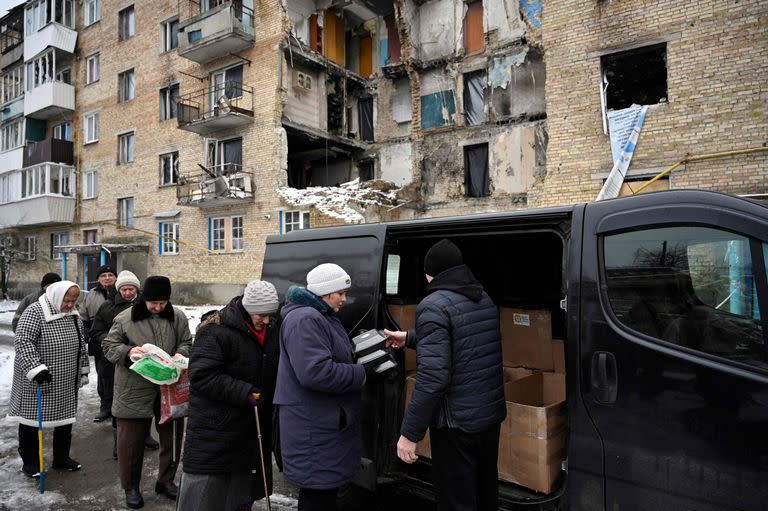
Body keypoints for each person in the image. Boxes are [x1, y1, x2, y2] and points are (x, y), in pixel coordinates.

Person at [384, 239, 506, 511]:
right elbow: (464, 341)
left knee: (456, 501)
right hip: (487, 418)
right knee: (485, 493)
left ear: (431, 273)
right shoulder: (482, 296)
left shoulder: (433, 304)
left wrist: (409, 434)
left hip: (456, 426)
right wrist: (410, 337)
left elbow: (433, 377)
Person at [177, 280, 281, 511]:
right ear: (247, 309)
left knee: (243, 489)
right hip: (217, 427)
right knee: (210, 495)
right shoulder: (216, 330)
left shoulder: (272, 327)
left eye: (269, 315)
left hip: (251, 426)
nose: (266, 321)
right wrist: (243, 391)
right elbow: (202, 375)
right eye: (261, 315)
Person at [274, 263, 369, 511]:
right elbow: (316, 372)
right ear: (326, 292)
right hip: (313, 429)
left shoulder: (319, 315)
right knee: (317, 499)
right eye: (341, 293)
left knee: (323, 496)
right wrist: (361, 374)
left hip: (321, 425)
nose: (345, 300)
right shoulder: (305, 318)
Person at [102, 276, 192, 509]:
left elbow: (187, 342)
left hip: (169, 388)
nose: (158, 307)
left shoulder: (178, 316)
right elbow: (109, 346)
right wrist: (129, 352)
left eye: (163, 302)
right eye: (154, 303)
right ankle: (130, 487)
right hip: (133, 388)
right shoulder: (125, 318)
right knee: (130, 442)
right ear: (144, 298)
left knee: (171, 438)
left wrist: (180, 354)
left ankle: (166, 481)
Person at [7, 280, 90, 477]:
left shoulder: (74, 316)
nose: (70, 305)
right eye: (66, 301)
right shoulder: (34, 311)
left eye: (73, 301)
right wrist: (36, 369)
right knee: (32, 421)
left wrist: (83, 369)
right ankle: (31, 463)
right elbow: (23, 341)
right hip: (38, 379)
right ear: (56, 296)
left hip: (66, 379)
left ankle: (61, 458)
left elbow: (80, 344)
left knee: (65, 419)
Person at [89, 270, 140, 459]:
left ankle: (144, 438)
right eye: (125, 289)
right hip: (114, 361)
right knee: (118, 403)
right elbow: (96, 332)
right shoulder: (107, 307)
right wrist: (113, 341)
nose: (128, 293)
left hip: (140, 360)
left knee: (142, 399)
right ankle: (119, 443)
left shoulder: (144, 306)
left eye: (131, 289)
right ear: (119, 290)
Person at [78, 264, 117, 422]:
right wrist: (87, 334)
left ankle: (118, 408)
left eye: (110, 275)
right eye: (103, 275)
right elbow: (83, 318)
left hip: (119, 343)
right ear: (98, 279)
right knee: (103, 377)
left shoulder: (123, 291)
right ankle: (105, 407)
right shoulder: (91, 295)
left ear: (115, 277)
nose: (107, 278)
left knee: (119, 377)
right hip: (99, 343)